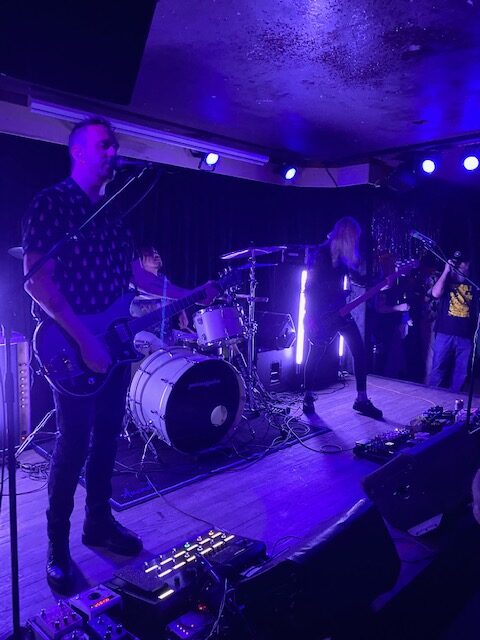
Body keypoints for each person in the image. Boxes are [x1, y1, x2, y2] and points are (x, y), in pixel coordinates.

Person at [22, 117, 216, 592]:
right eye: (103, 145)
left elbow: (140, 279)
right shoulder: (52, 203)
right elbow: (37, 280)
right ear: (78, 152)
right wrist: (84, 340)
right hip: (71, 345)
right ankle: (57, 546)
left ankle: (98, 524)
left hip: (114, 345)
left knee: (108, 436)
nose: (114, 151)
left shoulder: (113, 215)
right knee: (73, 444)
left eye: (115, 145)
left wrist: (191, 292)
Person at [303, 217, 383, 419]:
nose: (355, 242)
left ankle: (361, 399)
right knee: (315, 354)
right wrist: (311, 317)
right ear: (345, 235)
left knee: (359, 351)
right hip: (321, 315)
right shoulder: (320, 255)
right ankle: (308, 396)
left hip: (341, 311)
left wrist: (380, 281)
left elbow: (358, 280)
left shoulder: (342, 261)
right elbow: (309, 289)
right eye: (353, 237)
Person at [428, 253, 476, 392]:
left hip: (466, 334)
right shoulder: (446, 280)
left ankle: (454, 400)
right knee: (438, 368)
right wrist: (446, 271)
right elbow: (435, 294)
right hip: (445, 332)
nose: (459, 267)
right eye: (457, 263)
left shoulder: (474, 283)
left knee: (461, 372)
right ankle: (432, 398)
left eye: (462, 264)